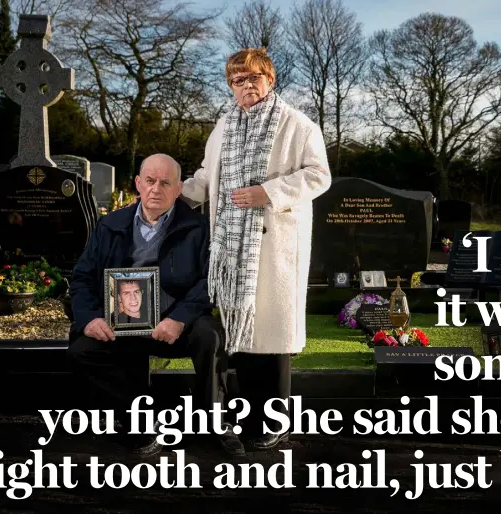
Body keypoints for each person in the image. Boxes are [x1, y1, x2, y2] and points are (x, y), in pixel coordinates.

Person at [181, 48, 332, 451]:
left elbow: (319, 176)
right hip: (232, 252)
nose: (245, 87)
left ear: (270, 79)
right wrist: (170, 196)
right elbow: (204, 177)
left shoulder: (298, 125)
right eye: (237, 80)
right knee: (242, 340)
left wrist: (268, 192)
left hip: (276, 246)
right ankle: (249, 417)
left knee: (274, 340)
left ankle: (276, 422)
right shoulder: (223, 127)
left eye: (252, 78)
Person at [67, 153, 245, 457]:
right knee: (82, 350)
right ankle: (143, 416)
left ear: (179, 189)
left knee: (209, 336)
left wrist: (178, 318)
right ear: (138, 183)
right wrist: (90, 318)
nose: (156, 189)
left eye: (166, 183)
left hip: (176, 319)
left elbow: (212, 281)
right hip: (122, 319)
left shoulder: (199, 228)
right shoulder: (110, 225)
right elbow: (82, 277)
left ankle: (216, 420)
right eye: (149, 181)